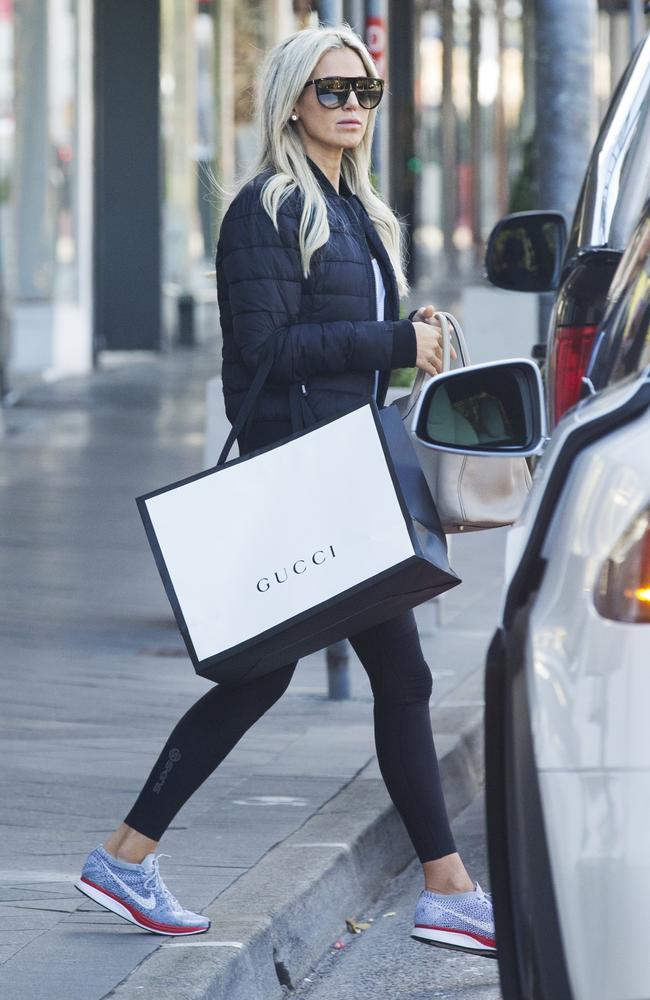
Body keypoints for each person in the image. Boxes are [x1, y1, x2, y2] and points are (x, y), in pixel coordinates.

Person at [75, 24, 495, 958]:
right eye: (333, 90)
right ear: (292, 100)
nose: (352, 105)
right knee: (278, 676)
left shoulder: (353, 207)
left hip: (345, 473)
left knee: (359, 676)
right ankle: (442, 887)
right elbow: (262, 355)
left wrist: (407, 329)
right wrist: (392, 343)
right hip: (306, 477)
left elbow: (339, 340)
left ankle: (441, 885)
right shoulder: (266, 208)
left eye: (365, 91)